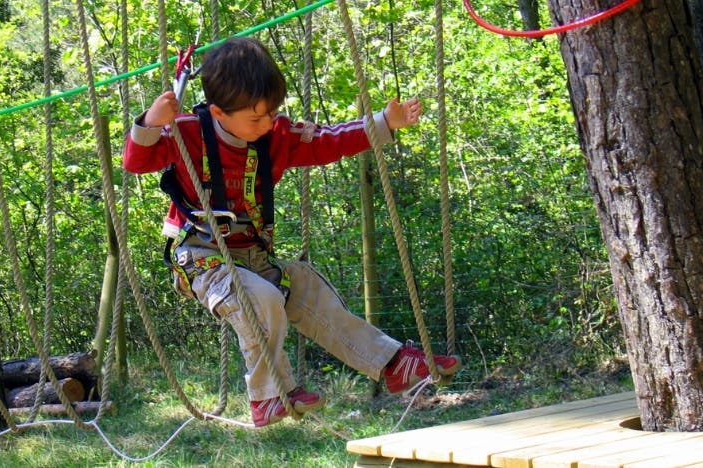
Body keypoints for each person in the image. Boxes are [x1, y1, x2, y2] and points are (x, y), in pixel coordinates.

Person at [123, 37, 460, 427]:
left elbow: (327, 142)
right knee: (262, 298)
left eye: (271, 114)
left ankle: (391, 363)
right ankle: (268, 395)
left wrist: (383, 123)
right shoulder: (186, 133)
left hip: (252, 256)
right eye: (256, 118)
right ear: (218, 111)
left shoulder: (276, 137)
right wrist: (150, 122)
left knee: (304, 284)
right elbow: (137, 161)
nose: (267, 123)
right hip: (202, 259)